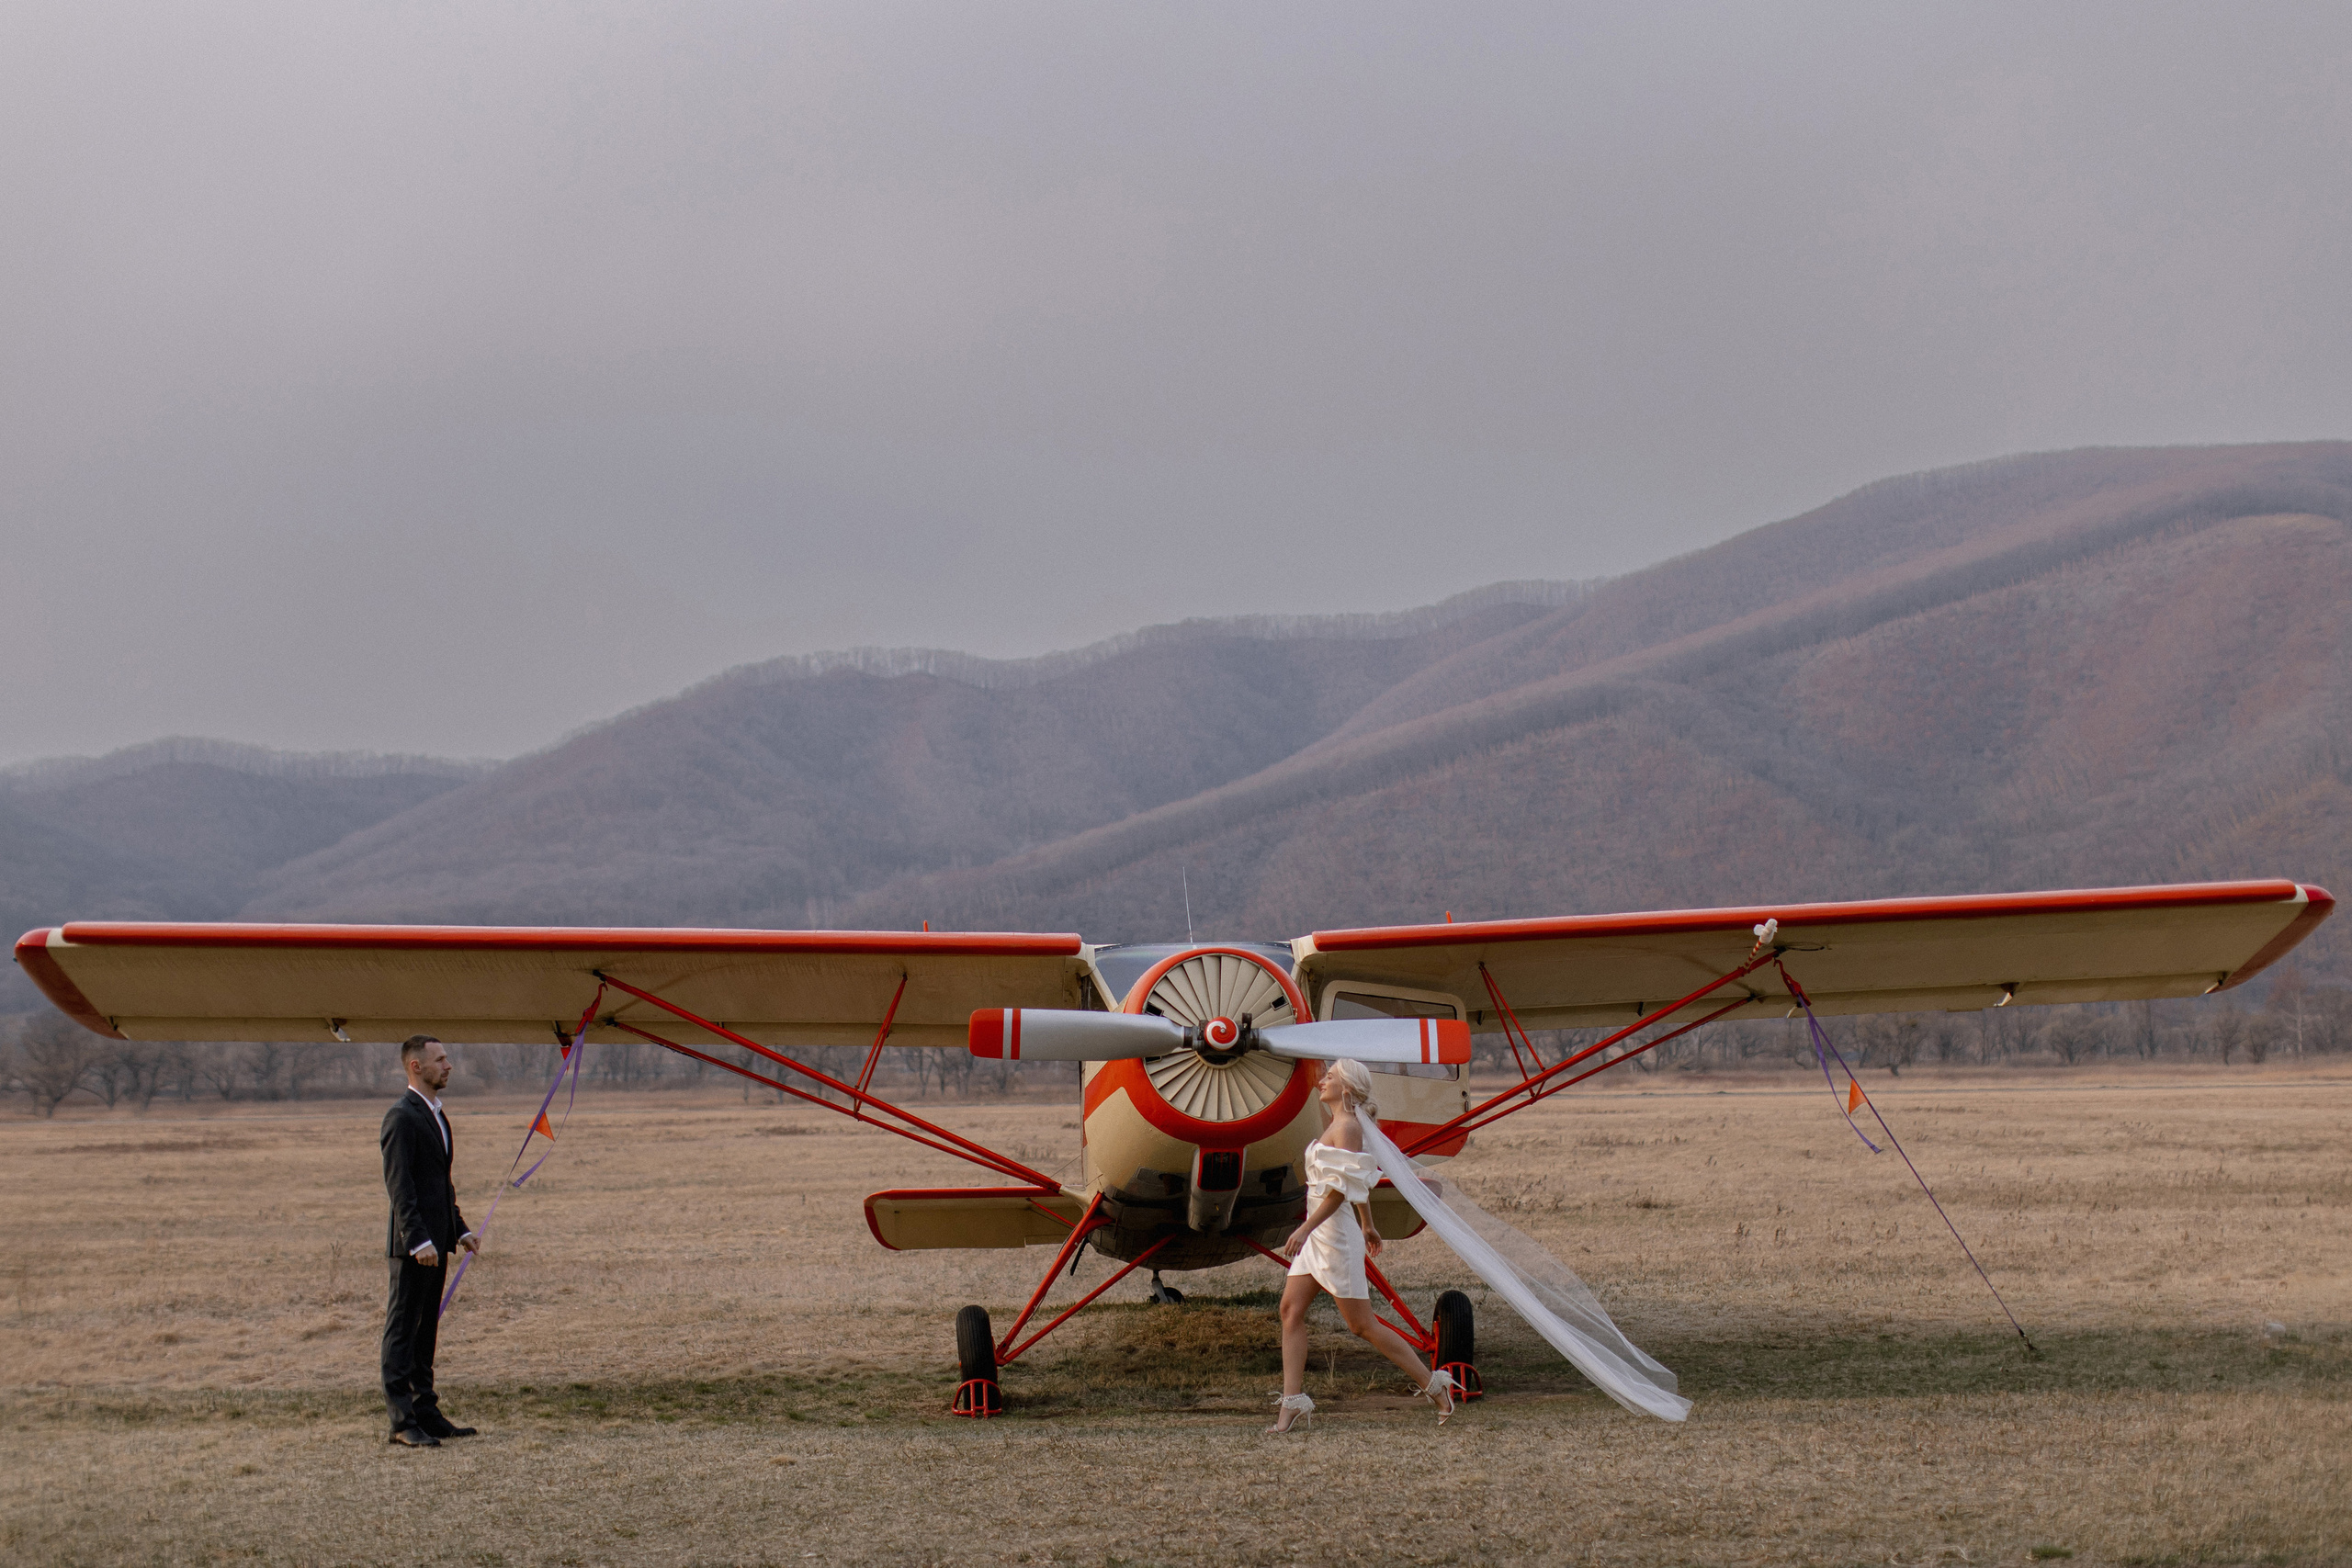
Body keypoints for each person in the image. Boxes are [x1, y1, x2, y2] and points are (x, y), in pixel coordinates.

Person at [1269, 1059, 1456, 1433]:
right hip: (1322, 1232)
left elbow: (1341, 1190)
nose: (1322, 1082)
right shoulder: (1338, 1125)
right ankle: (1291, 1406)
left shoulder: (1348, 1128)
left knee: (1362, 1325)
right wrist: (1368, 1223)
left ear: (1348, 1089)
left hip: (1333, 1236)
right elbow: (1355, 1181)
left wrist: (1305, 1228)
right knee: (1290, 1311)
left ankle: (1434, 1385)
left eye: (1331, 1078)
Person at [381, 1034, 479, 1447]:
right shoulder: (401, 1117)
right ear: (416, 1066)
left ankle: (426, 1411)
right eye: (440, 1059)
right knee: (403, 1331)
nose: (449, 1065)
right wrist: (418, 1240)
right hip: (415, 1249)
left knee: (425, 1333)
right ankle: (403, 1423)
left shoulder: (437, 1114)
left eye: (447, 1058)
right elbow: (400, 1186)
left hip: (437, 1245)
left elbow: (439, 1184)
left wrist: (459, 1228)